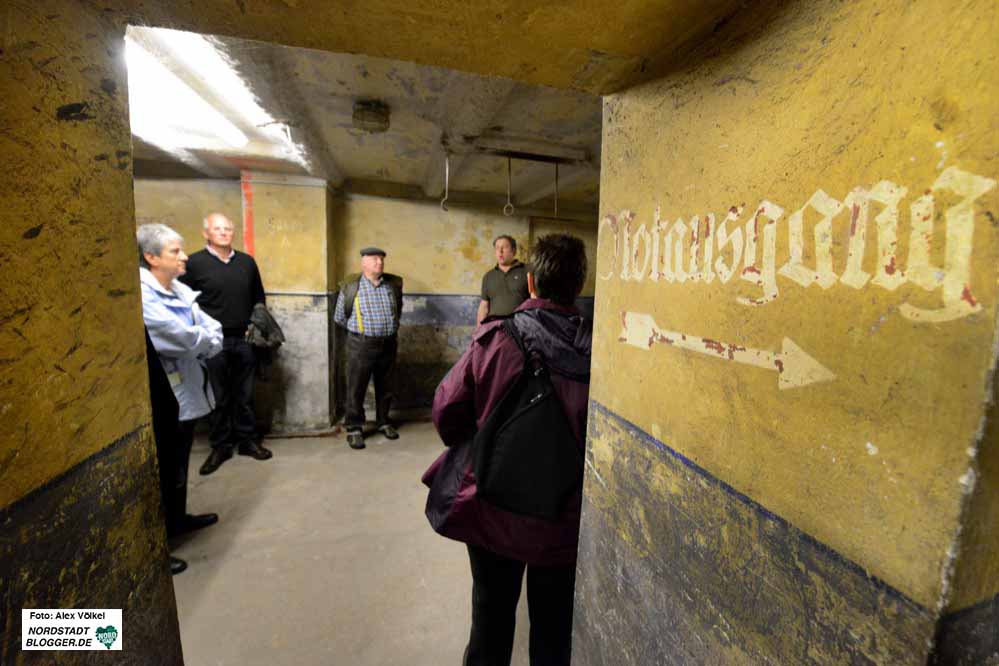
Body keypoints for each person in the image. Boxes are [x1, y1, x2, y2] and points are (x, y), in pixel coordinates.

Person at [431, 234, 591, 666]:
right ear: (578, 285)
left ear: (531, 282)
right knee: (554, 630)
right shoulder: (597, 350)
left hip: (493, 507)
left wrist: (486, 435)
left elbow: (446, 412)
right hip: (563, 516)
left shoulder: (495, 338)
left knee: (491, 618)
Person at [138, 224, 223, 560]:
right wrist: (201, 340)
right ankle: (159, 547)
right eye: (175, 251)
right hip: (164, 395)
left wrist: (199, 339)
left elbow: (212, 329)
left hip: (186, 387)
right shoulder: (142, 295)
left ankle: (176, 520)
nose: (184, 256)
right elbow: (175, 336)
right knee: (163, 467)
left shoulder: (179, 289)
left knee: (179, 463)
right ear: (151, 257)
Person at [179, 212, 272, 475]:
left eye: (227, 228)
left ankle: (247, 441)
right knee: (217, 396)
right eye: (217, 228)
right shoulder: (194, 264)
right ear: (206, 233)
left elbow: (258, 296)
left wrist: (255, 323)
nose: (223, 232)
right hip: (211, 343)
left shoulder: (246, 262)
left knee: (245, 395)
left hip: (244, 339)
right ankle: (221, 446)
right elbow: (183, 302)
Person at [333, 247, 403, 450]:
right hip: (361, 344)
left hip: (388, 343)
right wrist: (359, 334)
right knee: (356, 387)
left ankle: (383, 421)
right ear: (364, 263)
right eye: (374, 259)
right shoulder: (351, 287)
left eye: (381, 259)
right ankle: (354, 428)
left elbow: (398, 310)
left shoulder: (392, 286)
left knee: (386, 386)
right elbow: (339, 317)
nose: (380, 263)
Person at [476, 235, 529, 325]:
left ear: (514, 251)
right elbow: (484, 306)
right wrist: (479, 330)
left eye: (504, 247)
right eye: (497, 248)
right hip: (495, 327)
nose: (500, 251)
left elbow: (535, 300)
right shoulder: (488, 276)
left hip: (521, 325)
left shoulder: (527, 271)